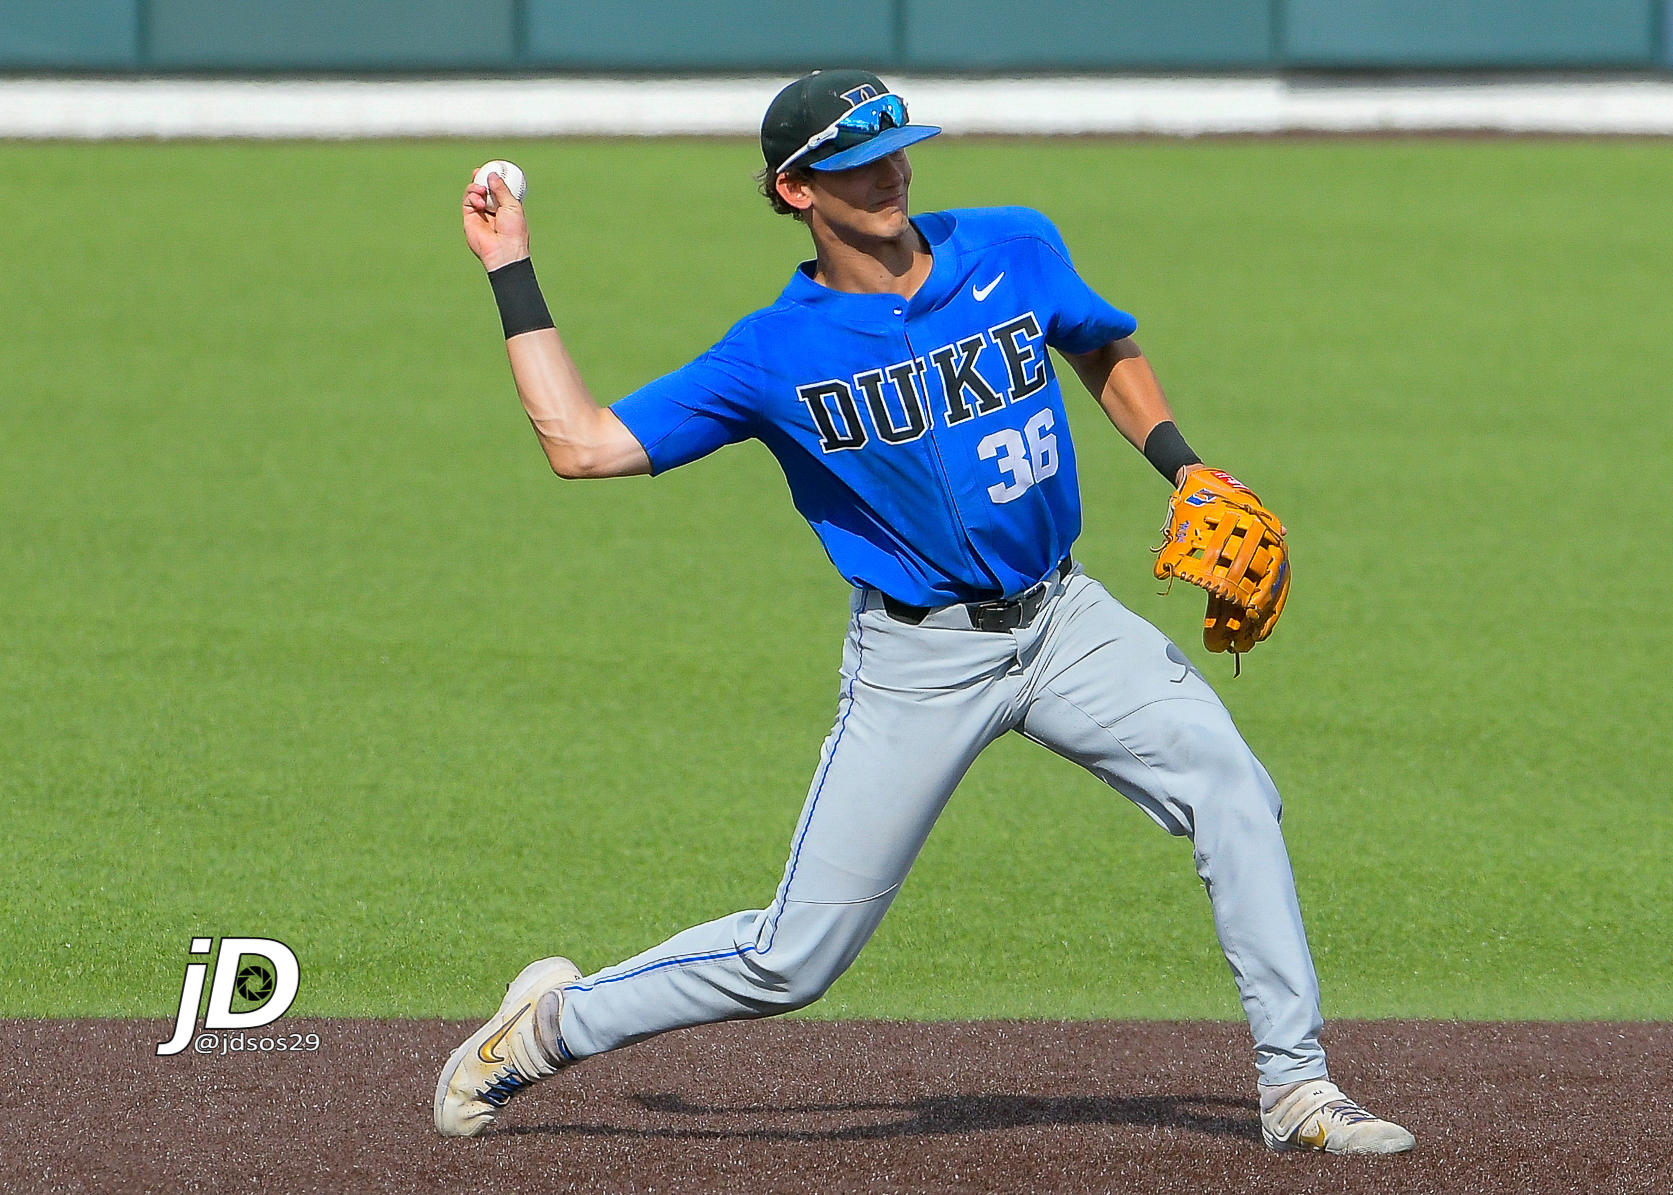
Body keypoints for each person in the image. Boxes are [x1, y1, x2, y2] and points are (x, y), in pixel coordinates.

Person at [434, 70, 1415, 1156]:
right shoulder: (772, 352)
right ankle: (547, 1026)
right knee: (793, 958)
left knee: (1231, 788)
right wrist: (508, 264)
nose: (891, 171)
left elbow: (1099, 341)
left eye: (897, 147)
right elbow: (578, 444)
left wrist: (1181, 466)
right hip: (918, 660)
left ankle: (1295, 1086)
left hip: (1066, 619)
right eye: (858, 161)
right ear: (795, 190)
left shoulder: (1011, 245)